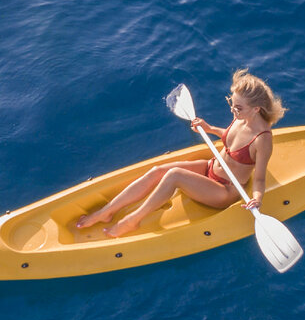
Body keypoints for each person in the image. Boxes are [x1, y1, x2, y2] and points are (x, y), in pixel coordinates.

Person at [76, 69, 287, 238]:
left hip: (225, 190)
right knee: (158, 170)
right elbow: (231, 138)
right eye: (231, 103)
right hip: (209, 168)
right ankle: (107, 212)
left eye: (238, 107)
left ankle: (133, 220)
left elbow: (258, 179)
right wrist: (212, 128)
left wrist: (257, 199)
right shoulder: (242, 117)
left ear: (256, 109)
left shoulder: (262, 140)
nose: (233, 109)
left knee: (174, 175)